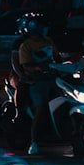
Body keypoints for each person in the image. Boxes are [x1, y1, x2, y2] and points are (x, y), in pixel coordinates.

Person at [12, 12, 59, 154]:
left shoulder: (48, 41)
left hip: (50, 76)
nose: (46, 29)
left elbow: (57, 58)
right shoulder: (23, 44)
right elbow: (20, 64)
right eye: (43, 26)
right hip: (34, 78)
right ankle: (33, 140)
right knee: (40, 107)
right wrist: (25, 75)